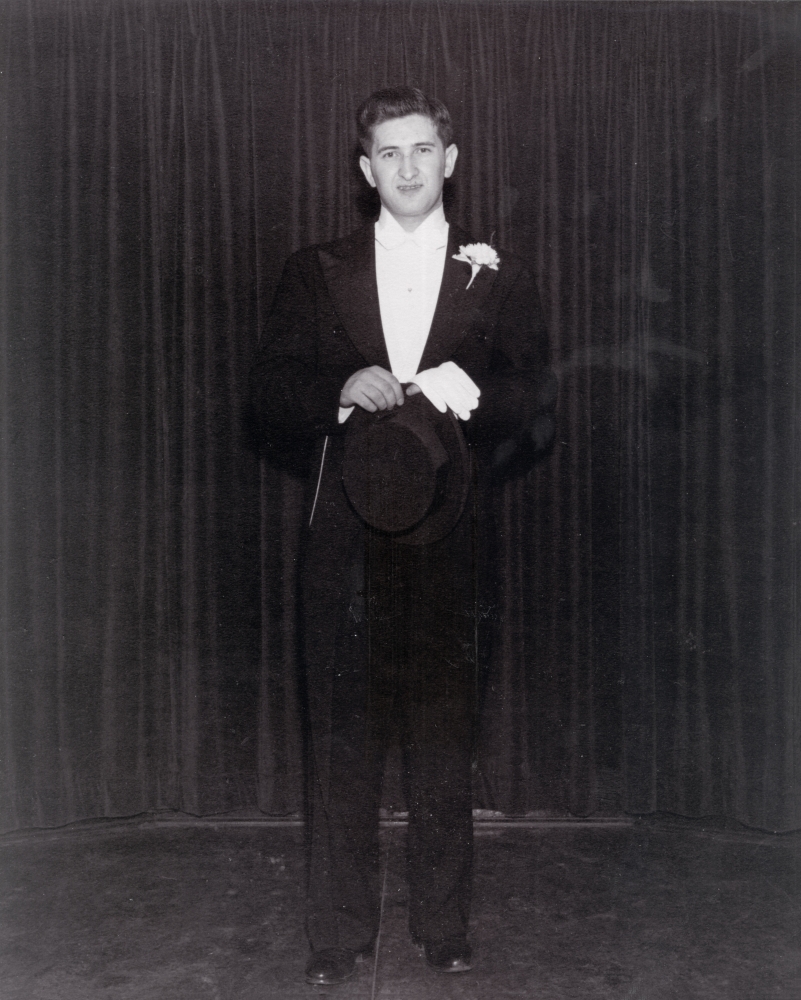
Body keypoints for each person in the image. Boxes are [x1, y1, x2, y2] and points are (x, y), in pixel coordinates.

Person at [250, 86, 552, 986]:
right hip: (344, 544)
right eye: (388, 154)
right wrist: (343, 383)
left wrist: (469, 393)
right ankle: (335, 937)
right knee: (340, 745)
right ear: (364, 169)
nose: (408, 169)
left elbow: (537, 406)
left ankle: (443, 926)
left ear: (449, 161)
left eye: (422, 150)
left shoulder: (498, 273)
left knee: (441, 741)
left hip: (452, 543)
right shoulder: (315, 269)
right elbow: (264, 394)